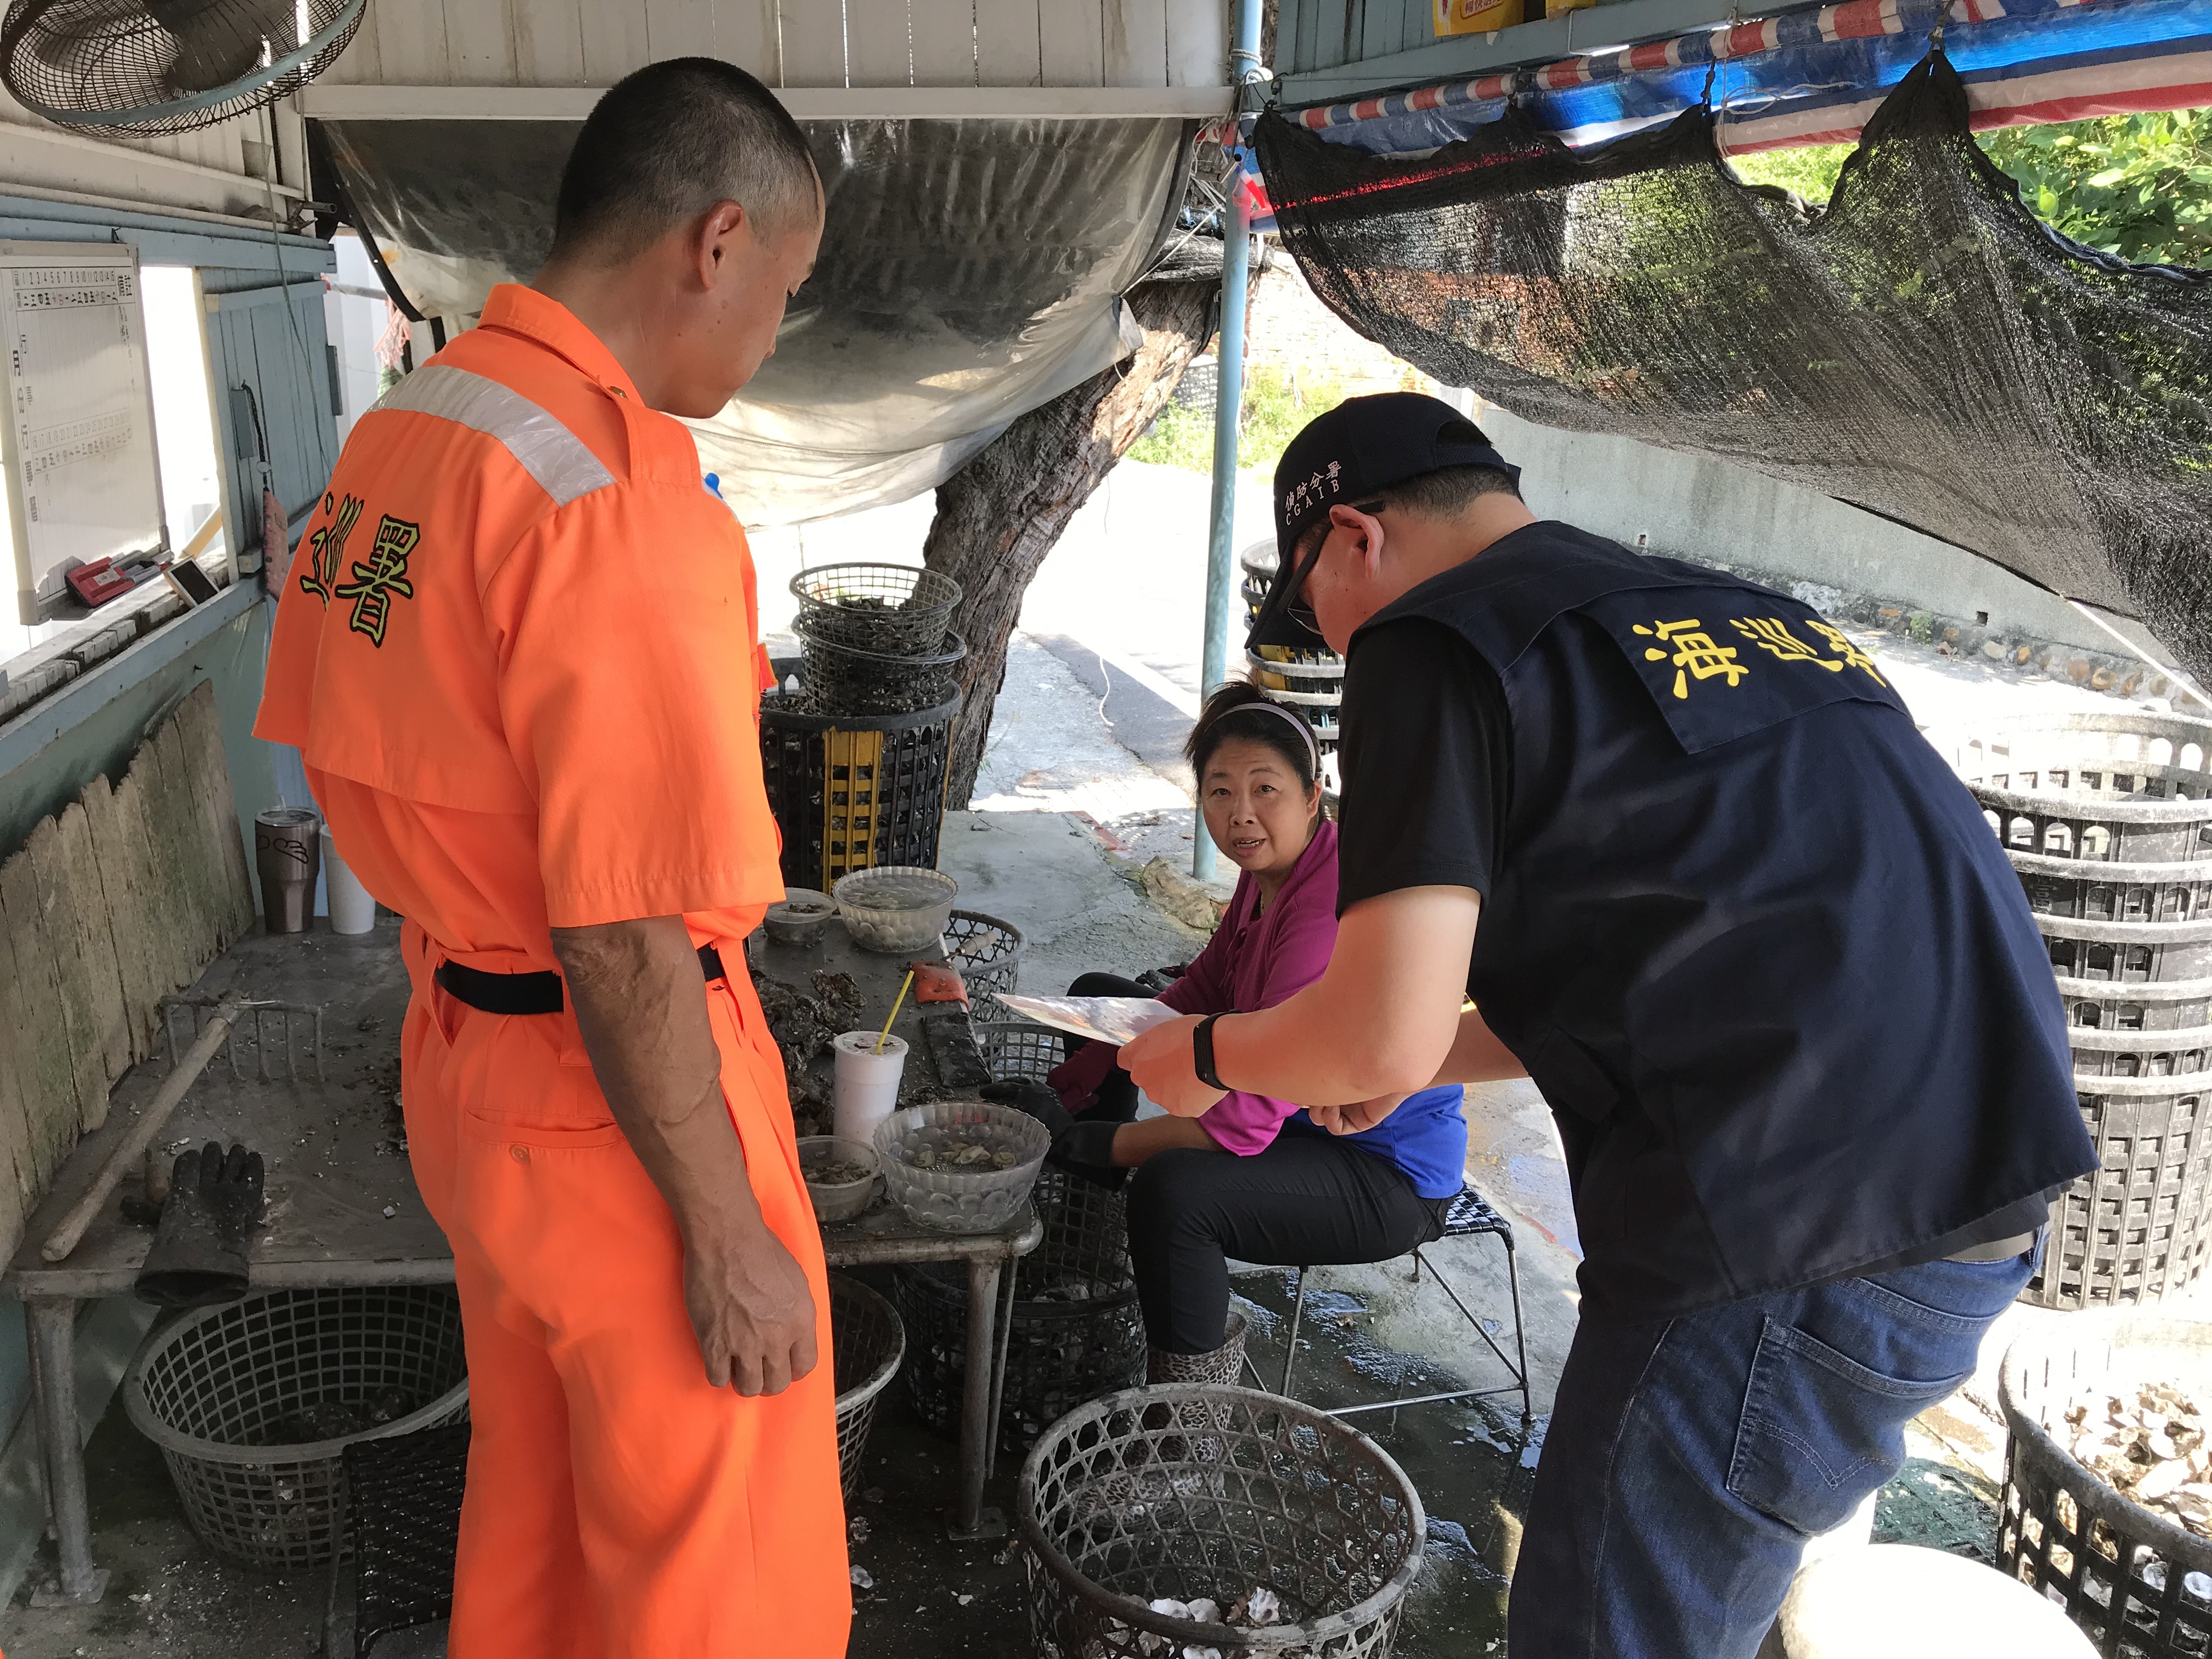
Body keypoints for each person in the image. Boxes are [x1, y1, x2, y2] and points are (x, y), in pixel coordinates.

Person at [1122, 392, 2098, 1658]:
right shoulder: (1737, 613)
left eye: (1319, 611)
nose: (1338, 645)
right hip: (1972, 1217)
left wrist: (1189, 1056)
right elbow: (1676, 954)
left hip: (1787, 1229)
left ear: (1357, 537)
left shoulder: (1433, 636)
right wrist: (1422, 1058)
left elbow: (1374, 1037)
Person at [254, 61, 845, 1657]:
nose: (774, 332)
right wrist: (727, 1239)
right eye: (784, 293)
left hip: (468, 1069)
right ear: (715, 244)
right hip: (624, 1116)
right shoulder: (613, 499)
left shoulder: (411, 429)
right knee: (718, 1584)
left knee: (546, 1529)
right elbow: (625, 934)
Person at [993, 681, 1469, 1383]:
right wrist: (1094, 1062)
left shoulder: (1322, 910)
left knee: (1175, 1192)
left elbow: (1243, 1126)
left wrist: (1083, 1142)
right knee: (1101, 998)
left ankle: (1187, 1420)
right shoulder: (1272, 869)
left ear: (1313, 795)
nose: (1241, 815)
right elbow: (1208, 987)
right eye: (1219, 791)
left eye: (1265, 790)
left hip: (1381, 1171)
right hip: (1300, 1119)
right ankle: (1091, 1245)